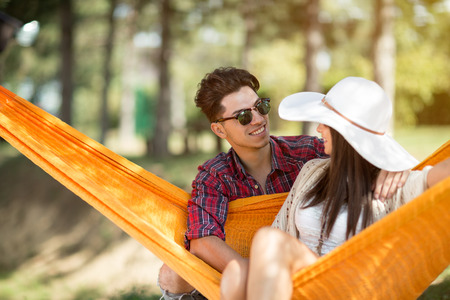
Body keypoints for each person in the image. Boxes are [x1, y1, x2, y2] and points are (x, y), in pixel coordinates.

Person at [158, 68, 410, 300]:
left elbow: (356, 149)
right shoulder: (215, 176)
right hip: (251, 266)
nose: (257, 119)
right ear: (220, 130)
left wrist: (390, 166)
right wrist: (252, 274)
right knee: (172, 273)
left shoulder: (307, 154)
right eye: (244, 116)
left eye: (260, 106)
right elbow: (202, 240)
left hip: (304, 265)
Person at [220, 76, 450, 300]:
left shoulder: (394, 184)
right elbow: (280, 231)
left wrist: (400, 166)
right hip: (298, 283)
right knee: (235, 273)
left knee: (268, 239)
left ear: (346, 133)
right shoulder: (313, 171)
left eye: (326, 122)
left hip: (349, 289)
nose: (319, 129)